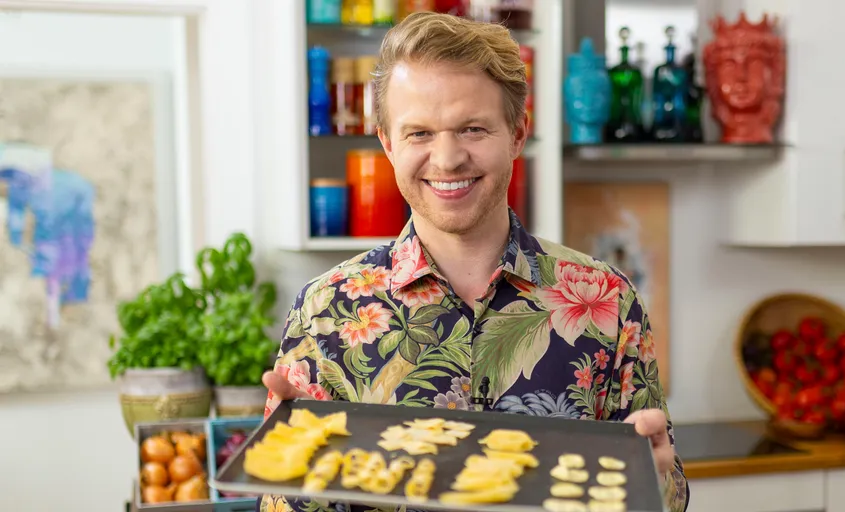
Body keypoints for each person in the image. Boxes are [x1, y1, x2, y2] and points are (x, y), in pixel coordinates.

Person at [258, 11, 688, 512]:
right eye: (419, 133)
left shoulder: (608, 300)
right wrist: (288, 479)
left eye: (472, 129)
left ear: (518, 134)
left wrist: (657, 482)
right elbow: (281, 503)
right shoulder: (327, 308)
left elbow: (665, 491)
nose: (447, 159)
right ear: (387, 144)